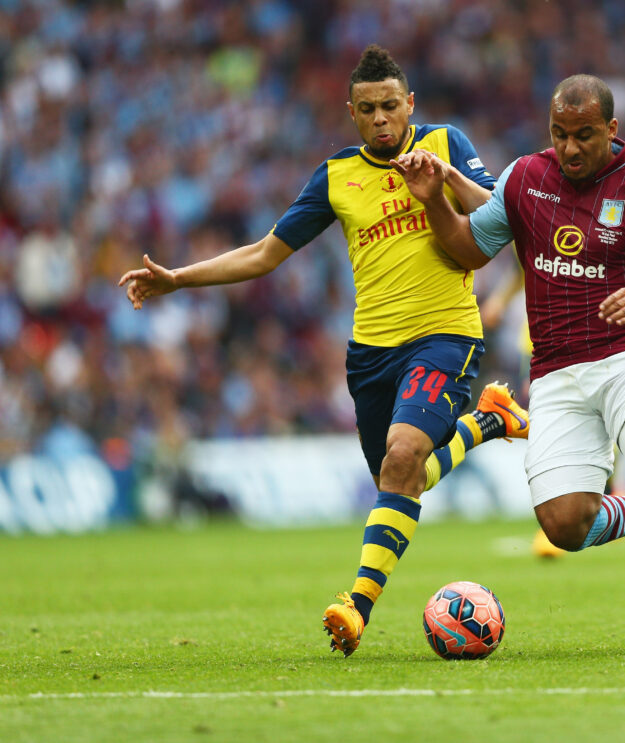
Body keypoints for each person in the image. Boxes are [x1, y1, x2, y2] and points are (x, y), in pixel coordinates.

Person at [118, 45, 530, 657]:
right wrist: (179, 278)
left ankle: (356, 605)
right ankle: (490, 420)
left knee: (403, 456)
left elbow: (502, 215)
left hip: (446, 334)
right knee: (400, 478)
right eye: (368, 110)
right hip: (370, 355)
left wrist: (443, 180)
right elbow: (264, 254)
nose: (382, 119)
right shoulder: (337, 176)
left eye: (391, 106)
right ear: (352, 114)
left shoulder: (445, 143)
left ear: (410, 104)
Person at [394, 74, 625, 652]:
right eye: (560, 133)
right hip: (553, 371)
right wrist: (432, 202)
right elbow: (470, 247)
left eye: (584, 135)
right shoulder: (525, 178)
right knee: (564, 525)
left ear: (612, 130)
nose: (570, 148)